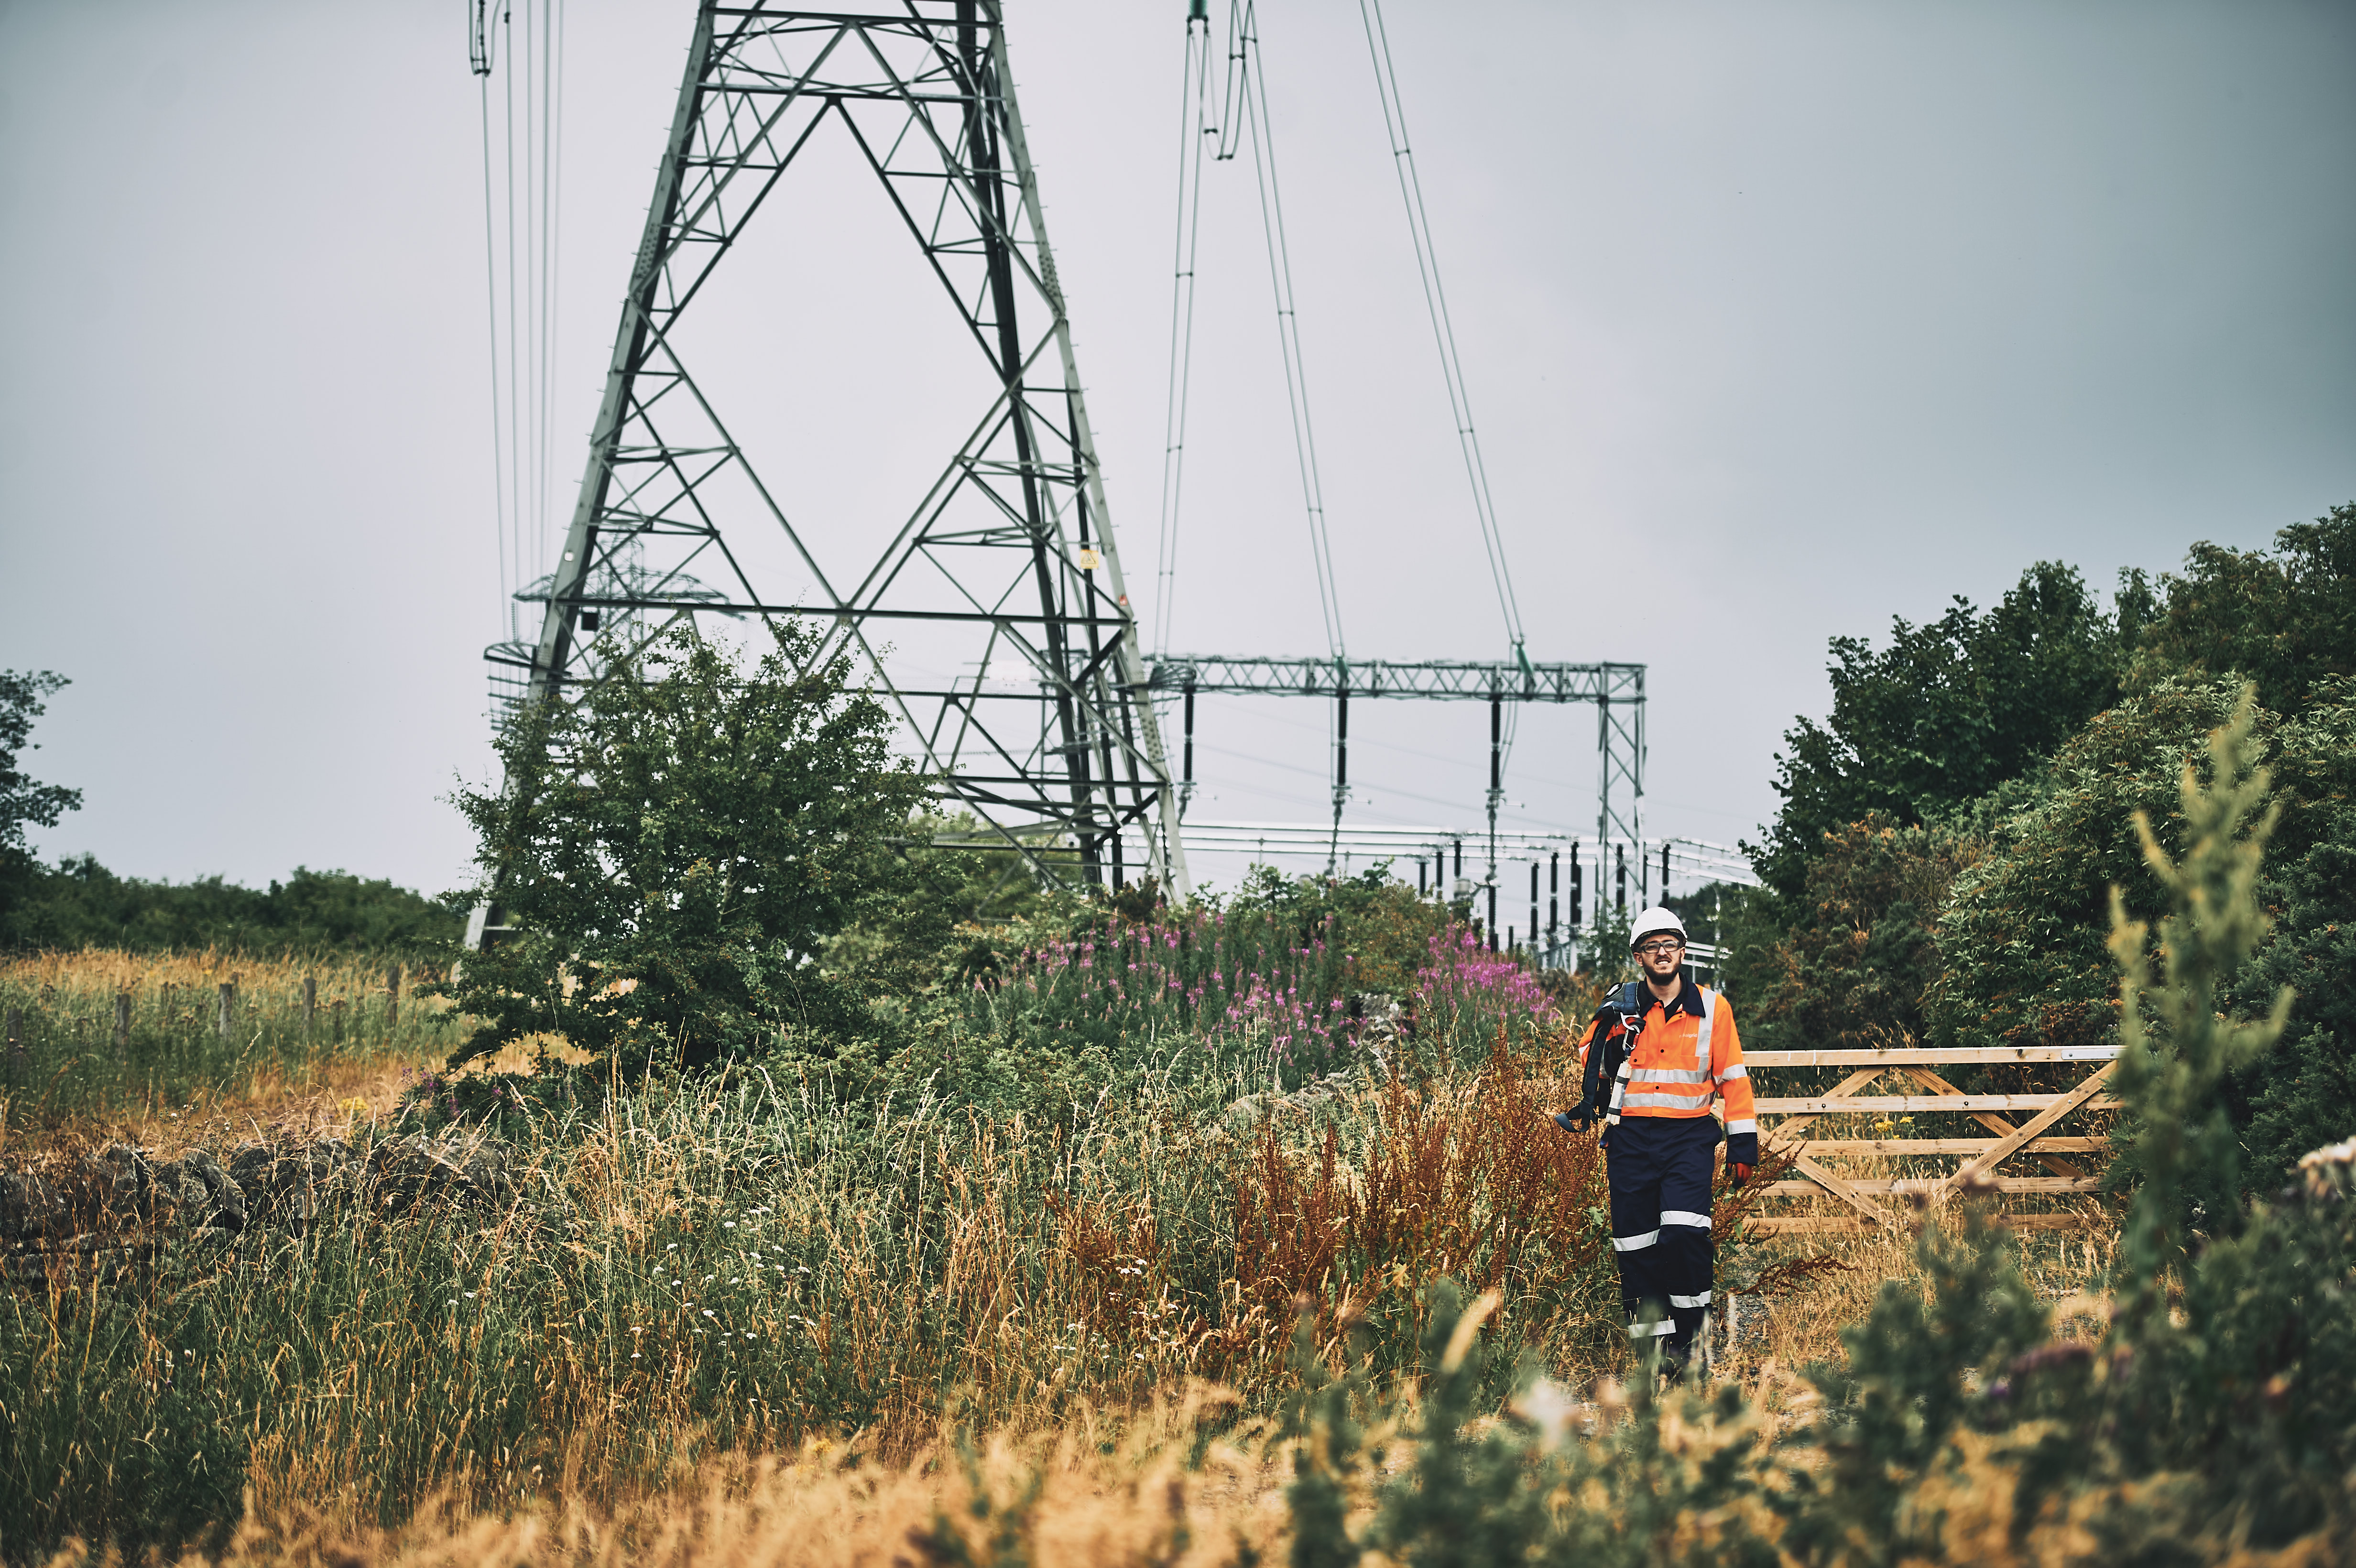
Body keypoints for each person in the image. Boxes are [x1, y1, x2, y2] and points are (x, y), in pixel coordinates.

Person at [1551, 906, 1756, 1375]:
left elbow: (1734, 1080)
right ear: (1638, 957)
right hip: (1628, 1141)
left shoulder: (1712, 1009)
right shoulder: (1620, 1007)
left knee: (1685, 1235)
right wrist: (1610, 1024)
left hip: (1687, 1139)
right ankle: (1652, 1355)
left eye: (1669, 944)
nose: (1662, 953)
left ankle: (1693, 1345)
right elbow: (1588, 1060)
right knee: (1635, 1247)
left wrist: (1742, 1144)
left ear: (1682, 952)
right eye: (1651, 946)